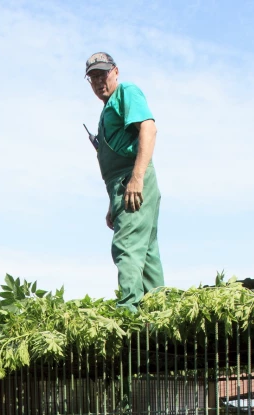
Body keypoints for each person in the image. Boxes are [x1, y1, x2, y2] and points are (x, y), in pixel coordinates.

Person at [85, 51, 164, 312]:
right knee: (147, 252)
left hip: (132, 180)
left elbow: (148, 128)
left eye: (103, 74)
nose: (99, 81)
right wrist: (112, 203)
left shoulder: (127, 92)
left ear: (116, 72)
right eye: (93, 77)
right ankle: (159, 312)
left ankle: (128, 313)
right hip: (122, 186)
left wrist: (136, 177)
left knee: (126, 246)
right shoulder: (107, 109)